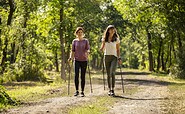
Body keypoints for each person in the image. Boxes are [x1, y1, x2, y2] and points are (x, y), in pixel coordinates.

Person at [100, 25, 122, 96]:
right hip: (106, 57)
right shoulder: (104, 38)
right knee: (108, 74)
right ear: (108, 31)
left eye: (113, 29)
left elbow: (118, 49)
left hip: (114, 57)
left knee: (112, 72)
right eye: (111, 30)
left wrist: (119, 57)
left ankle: (112, 89)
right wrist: (101, 49)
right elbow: (102, 47)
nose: (112, 31)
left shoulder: (116, 39)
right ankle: (109, 89)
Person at [68, 27, 90, 97]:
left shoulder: (85, 41)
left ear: (82, 33)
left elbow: (88, 49)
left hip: (84, 60)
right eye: (78, 32)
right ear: (76, 33)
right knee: (76, 75)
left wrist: (88, 52)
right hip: (76, 60)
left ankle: (82, 91)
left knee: (82, 76)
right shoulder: (74, 41)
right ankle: (77, 90)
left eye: (81, 32)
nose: (80, 33)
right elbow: (73, 51)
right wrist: (70, 57)